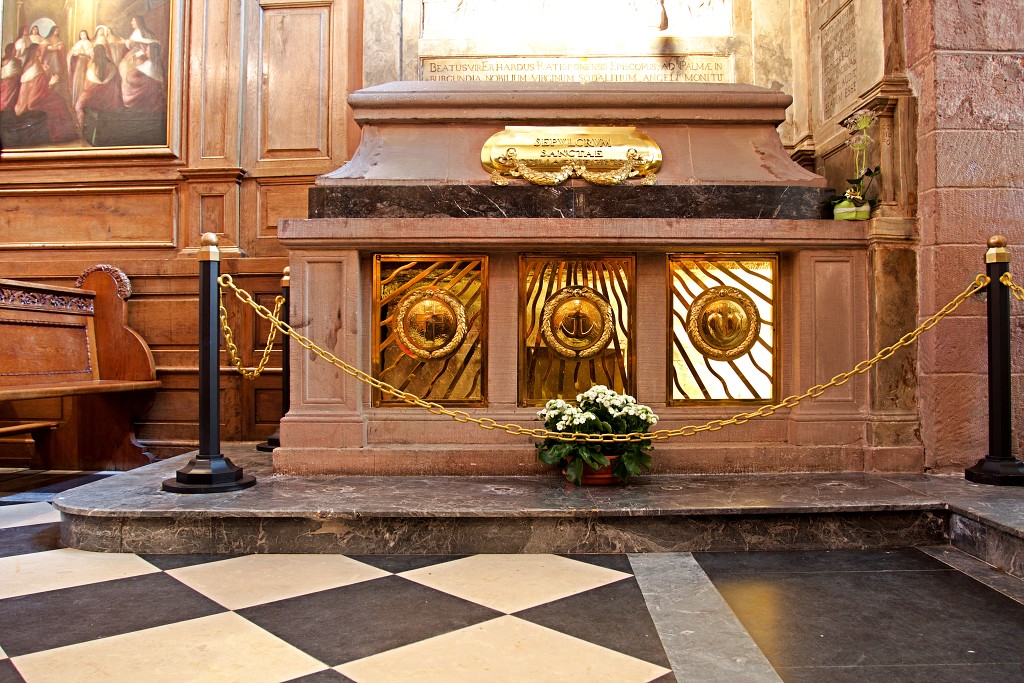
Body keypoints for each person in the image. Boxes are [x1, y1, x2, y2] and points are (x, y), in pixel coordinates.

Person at [15, 42, 77, 142]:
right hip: (35, 99)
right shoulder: (33, 65)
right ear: (34, 52)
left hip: (37, 94)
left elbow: (38, 80)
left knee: (59, 99)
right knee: (59, 102)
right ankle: (61, 135)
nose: (40, 51)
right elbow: (37, 87)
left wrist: (43, 71)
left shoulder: (34, 63)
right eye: (38, 50)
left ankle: (65, 134)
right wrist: (50, 82)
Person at [75, 44, 121, 129]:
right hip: (110, 99)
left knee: (78, 105)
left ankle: (82, 130)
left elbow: (87, 87)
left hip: (94, 98)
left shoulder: (91, 65)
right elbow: (117, 85)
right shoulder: (112, 66)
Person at [122, 42, 164, 112]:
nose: (146, 51)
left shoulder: (150, 64)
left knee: (129, 78)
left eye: (147, 50)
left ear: (152, 52)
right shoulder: (155, 63)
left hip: (146, 89)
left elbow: (134, 72)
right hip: (150, 87)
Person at [68, 29, 93, 109]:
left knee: (84, 80)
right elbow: (73, 53)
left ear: (86, 35)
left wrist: (85, 52)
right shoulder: (78, 43)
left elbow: (91, 54)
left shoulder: (89, 43)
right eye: (81, 34)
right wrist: (77, 52)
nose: (83, 36)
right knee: (77, 80)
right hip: (78, 63)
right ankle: (76, 100)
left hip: (85, 63)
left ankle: (83, 102)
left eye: (84, 34)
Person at [1, 43, 22, 112]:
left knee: (10, 99)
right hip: (9, 82)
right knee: (6, 98)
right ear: (10, 50)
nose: (15, 51)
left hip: (12, 82)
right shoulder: (7, 60)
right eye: (14, 50)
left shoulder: (15, 60)